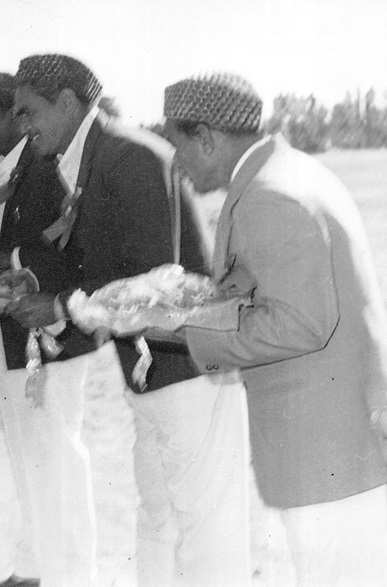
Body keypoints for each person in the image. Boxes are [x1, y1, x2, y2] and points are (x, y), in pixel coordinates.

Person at [10, 55, 252, 586]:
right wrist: (43, 290)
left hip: (189, 366)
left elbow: (153, 283)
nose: (22, 127)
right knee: (160, 515)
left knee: (205, 524)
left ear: (68, 102)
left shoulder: (127, 156)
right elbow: (102, 264)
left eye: (30, 112)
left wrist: (58, 306)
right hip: (151, 368)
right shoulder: (90, 156)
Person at [162, 72, 387, 586]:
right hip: (336, 439)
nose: (175, 162)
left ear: (207, 138)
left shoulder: (268, 195)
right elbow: (280, 276)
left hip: (324, 449)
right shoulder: (287, 173)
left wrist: (184, 330)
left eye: (177, 145)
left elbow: (300, 323)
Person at [0, 72, 95, 587]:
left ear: (19, 118)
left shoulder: (45, 167)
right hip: (9, 331)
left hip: (49, 336)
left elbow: (68, 247)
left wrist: (6, 259)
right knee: (28, 458)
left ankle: (73, 576)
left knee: (56, 461)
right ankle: (37, 566)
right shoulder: (11, 169)